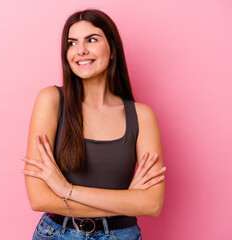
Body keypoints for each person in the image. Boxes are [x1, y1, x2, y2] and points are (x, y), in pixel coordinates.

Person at [21, 9, 166, 240]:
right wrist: (128, 201)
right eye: (72, 43)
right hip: (58, 234)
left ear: (112, 50)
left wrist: (66, 190)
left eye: (91, 39)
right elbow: (39, 199)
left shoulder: (142, 116)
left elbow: (152, 203)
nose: (80, 51)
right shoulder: (51, 101)